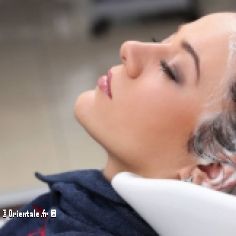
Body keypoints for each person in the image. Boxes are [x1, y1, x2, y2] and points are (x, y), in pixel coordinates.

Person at [1, 12, 236, 236]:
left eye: (170, 70)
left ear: (211, 168)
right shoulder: (70, 206)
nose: (129, 48)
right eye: (161, 40)